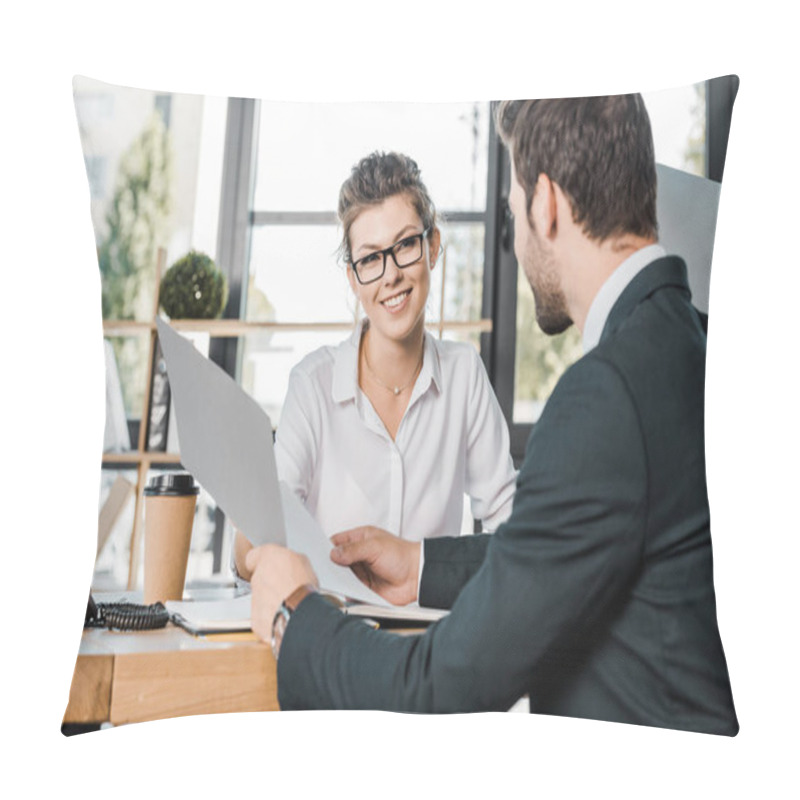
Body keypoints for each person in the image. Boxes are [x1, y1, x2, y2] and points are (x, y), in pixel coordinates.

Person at [245, 95, 739, 736]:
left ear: (546, 205)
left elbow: (444, 686)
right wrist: (421, 566)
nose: (514, 235)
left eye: (511, 212)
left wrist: (294, 614)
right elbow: (561, 549)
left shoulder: (605, 394)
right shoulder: (691, 347)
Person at [234, 151, 517, 581]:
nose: (391, 276)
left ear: (432, 247)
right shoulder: (314, 385)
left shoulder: (464, 375)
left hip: (431, 640)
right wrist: (255, 555)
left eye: (405, 245)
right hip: (337, 630)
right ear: (352, 277)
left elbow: (511, 527)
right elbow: (260, 534)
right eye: (370, 259)